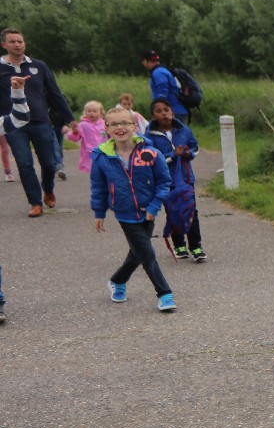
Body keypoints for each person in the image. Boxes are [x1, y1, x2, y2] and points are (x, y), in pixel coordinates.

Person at [90, 106, 176, 312]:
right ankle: (164, 294)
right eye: (114, 124)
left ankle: (118, 281)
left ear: (134, 126)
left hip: (148, 211)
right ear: (106, 128)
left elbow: (164, 182)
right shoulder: (101, 157)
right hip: (125, 213)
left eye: (124, 123)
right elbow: (98, 188)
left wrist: (154, 206)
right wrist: (99, 212)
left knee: (137, 252)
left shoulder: (151, 153)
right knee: (147, 253)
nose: (120, 127)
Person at [1, 29, 74, 217]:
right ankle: (35, 203)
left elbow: (55, 93)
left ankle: (48, 189)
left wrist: (70, 118)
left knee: (49, 163)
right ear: (4, 45)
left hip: (40, 121)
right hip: (14, 125)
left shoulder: (39, 66)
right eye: (12, 41)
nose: (17, 45)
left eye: (20, 41)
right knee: (24, 163)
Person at [146, 98, 206, 262]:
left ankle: (196, 247)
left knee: (191, 211)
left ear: (172, 112)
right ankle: (179, 245)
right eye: (159, 111)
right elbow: (151, 158)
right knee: (173, 212)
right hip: (165, 181)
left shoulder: (184, 130)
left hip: (186, 179)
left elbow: (195, 147)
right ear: (153, 116)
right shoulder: (150, 136)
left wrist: (188, 153)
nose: (164, 113)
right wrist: (173, 155)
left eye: (166, 109)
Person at [139, 51, 189, 123]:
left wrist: (158, 110)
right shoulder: (162, 70)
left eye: (143, 61)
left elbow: (163, 92)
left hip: (172, 112)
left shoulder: (158, 73)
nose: (143, 64)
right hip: (175, 110)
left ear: (146, 61)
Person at [64, 100, 107, 174]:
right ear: (85, 112)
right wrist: (75, 132)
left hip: (104, 153)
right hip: (89, 154)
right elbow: (75, 138)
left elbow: (110, 137)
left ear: (101, 113)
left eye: (94, 111)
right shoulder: (83, 125)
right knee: (94, 173)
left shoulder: (105, 125)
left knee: (104, 171)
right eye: (89, 111)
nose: (91, 113)